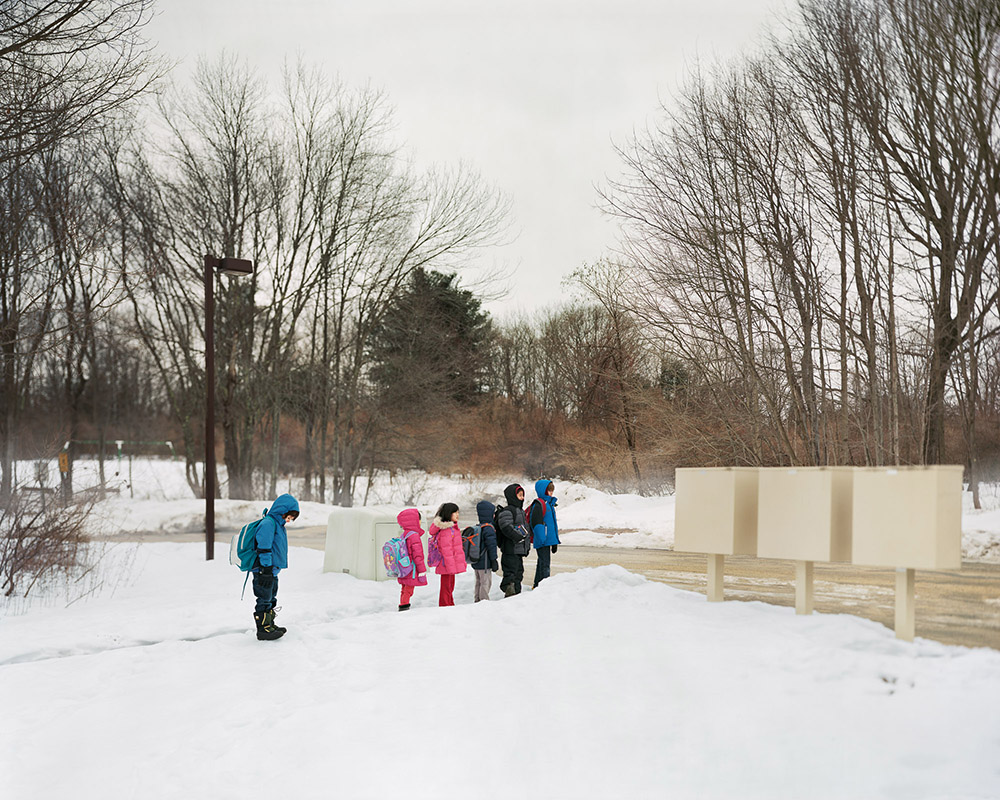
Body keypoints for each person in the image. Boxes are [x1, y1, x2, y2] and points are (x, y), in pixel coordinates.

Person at [252, 493, 300, 641]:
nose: (289, 520)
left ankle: (270, 625)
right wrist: (266, 569)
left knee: (271, 598)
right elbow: (264, 548)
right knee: (264, 598)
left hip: (271, 570)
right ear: (282, 511)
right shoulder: (268, 523)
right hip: (263, 570)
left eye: (292, 518)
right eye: (289, 516)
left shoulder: (278, 524)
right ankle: (263, 630)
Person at [495, 483, 531, 596]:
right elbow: (506, 527)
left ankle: (516, 596)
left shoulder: (520, 511)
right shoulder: (507, 511)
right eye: (520, 495)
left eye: (523, 495)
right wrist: (517, 537)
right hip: (510, 549)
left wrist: (526, 546)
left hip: (518, 550)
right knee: (511, 574)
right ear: (512, 496)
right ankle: (510, 594)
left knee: (519, 573)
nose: (522, 498)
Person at [428, 502, 466, 606]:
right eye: (455, 512)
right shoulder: (446, 530)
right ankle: (445, 604)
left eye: (458, 512)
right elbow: (446, 550)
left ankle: (449, 603)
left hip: (450, 563)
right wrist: (450, 565)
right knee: (446, 586)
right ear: (449, 513)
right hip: (446, 563)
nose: (457, 515)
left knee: (450, 585)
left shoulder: (452, 527)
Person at [529, 479, 560, 588]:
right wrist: (542, 539)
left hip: (547, 540)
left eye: (552, 490)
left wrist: (554, 542)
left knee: (541, 564)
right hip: (542, 540)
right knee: (545, 565)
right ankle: (545, 587)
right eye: (549, 490)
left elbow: (553, 525)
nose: (551, 493)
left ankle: (537, 585)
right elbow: (536, 523)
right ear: (543, 491)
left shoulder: (550, 504)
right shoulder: (539, 504)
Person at [395, 508, 427, 611]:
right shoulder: (414, 536)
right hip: (411, 569)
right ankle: (404, 606)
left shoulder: (404, 534)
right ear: (414, 521)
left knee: (404, 588)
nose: (420, 522)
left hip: (403, 567)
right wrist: (422, 570)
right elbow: (418, 556)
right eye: (419, 519)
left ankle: (403, 603)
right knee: (409, 589)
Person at [469, 500, 499, 601]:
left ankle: (477, 599)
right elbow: (491, 545)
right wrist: (494, 560)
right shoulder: (489, 528)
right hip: (485, 563)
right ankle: (484, 601)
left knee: (478, 582)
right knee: (486, 583)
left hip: (476, 561)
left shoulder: (479, 527)